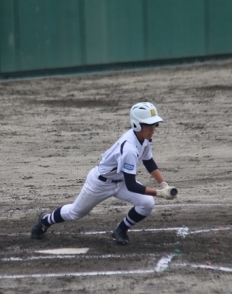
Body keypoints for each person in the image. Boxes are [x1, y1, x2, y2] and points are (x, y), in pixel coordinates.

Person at [31, 102, 178, 245]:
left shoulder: (145, 138)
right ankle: (45, 221)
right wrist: (159, 193)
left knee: (147, 203)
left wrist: (163, 184)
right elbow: (132, 185)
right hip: (100, 183)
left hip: (121, 181)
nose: (153, 129)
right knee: (75, 213)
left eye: (155, 124)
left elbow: (148, 161)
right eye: (149, 125)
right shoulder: (129, 148)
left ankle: (120, 230)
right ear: (137, 125)